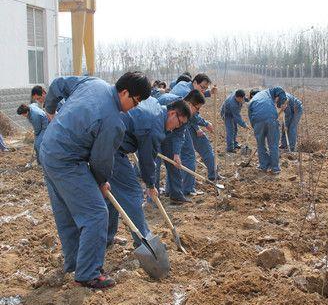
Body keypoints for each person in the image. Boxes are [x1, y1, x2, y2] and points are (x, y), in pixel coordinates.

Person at [40, 72, 151, 289]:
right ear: (125, 92)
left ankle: (74, 263)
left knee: (68, 214)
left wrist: (50, 110)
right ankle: (88, 273)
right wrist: (101, 182)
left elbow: (58, 84)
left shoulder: (93, 83)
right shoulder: (113, 121)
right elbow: (100, 160)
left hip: (48, 150)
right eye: (135, 101)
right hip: (67, 161)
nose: (135, 107)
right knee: (96, 213)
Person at [107, 98, 190, 246]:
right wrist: (151, 185)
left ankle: (107, 237)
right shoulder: (155, 127)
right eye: (180, 123)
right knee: (132, 192)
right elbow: (147, 160)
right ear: (172, 114)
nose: (177, 128)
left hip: (111, 141)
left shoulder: (156, 106)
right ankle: (145, 241)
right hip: (110, 147)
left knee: (112, 192)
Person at [157, 89, 218, 201]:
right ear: (190, 104)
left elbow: (179, 135)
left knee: (174, 161)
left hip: (170, 132)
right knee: (155, 162)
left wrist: (176, 153)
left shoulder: (186, 115)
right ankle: (154, 197)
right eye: (197, 108)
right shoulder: (168, 104)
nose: (198, 111)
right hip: (156, 129)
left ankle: (175, 194)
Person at [247, 87, 287, 174]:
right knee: (273, 145)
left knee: (260, 145)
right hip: (271, 119)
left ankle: (263, 166)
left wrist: (257, 130)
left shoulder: (251, 102)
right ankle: (275, 168)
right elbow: (280, 90)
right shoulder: (268, 92)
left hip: (257, 122)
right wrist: (282, 102)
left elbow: (251, 118)